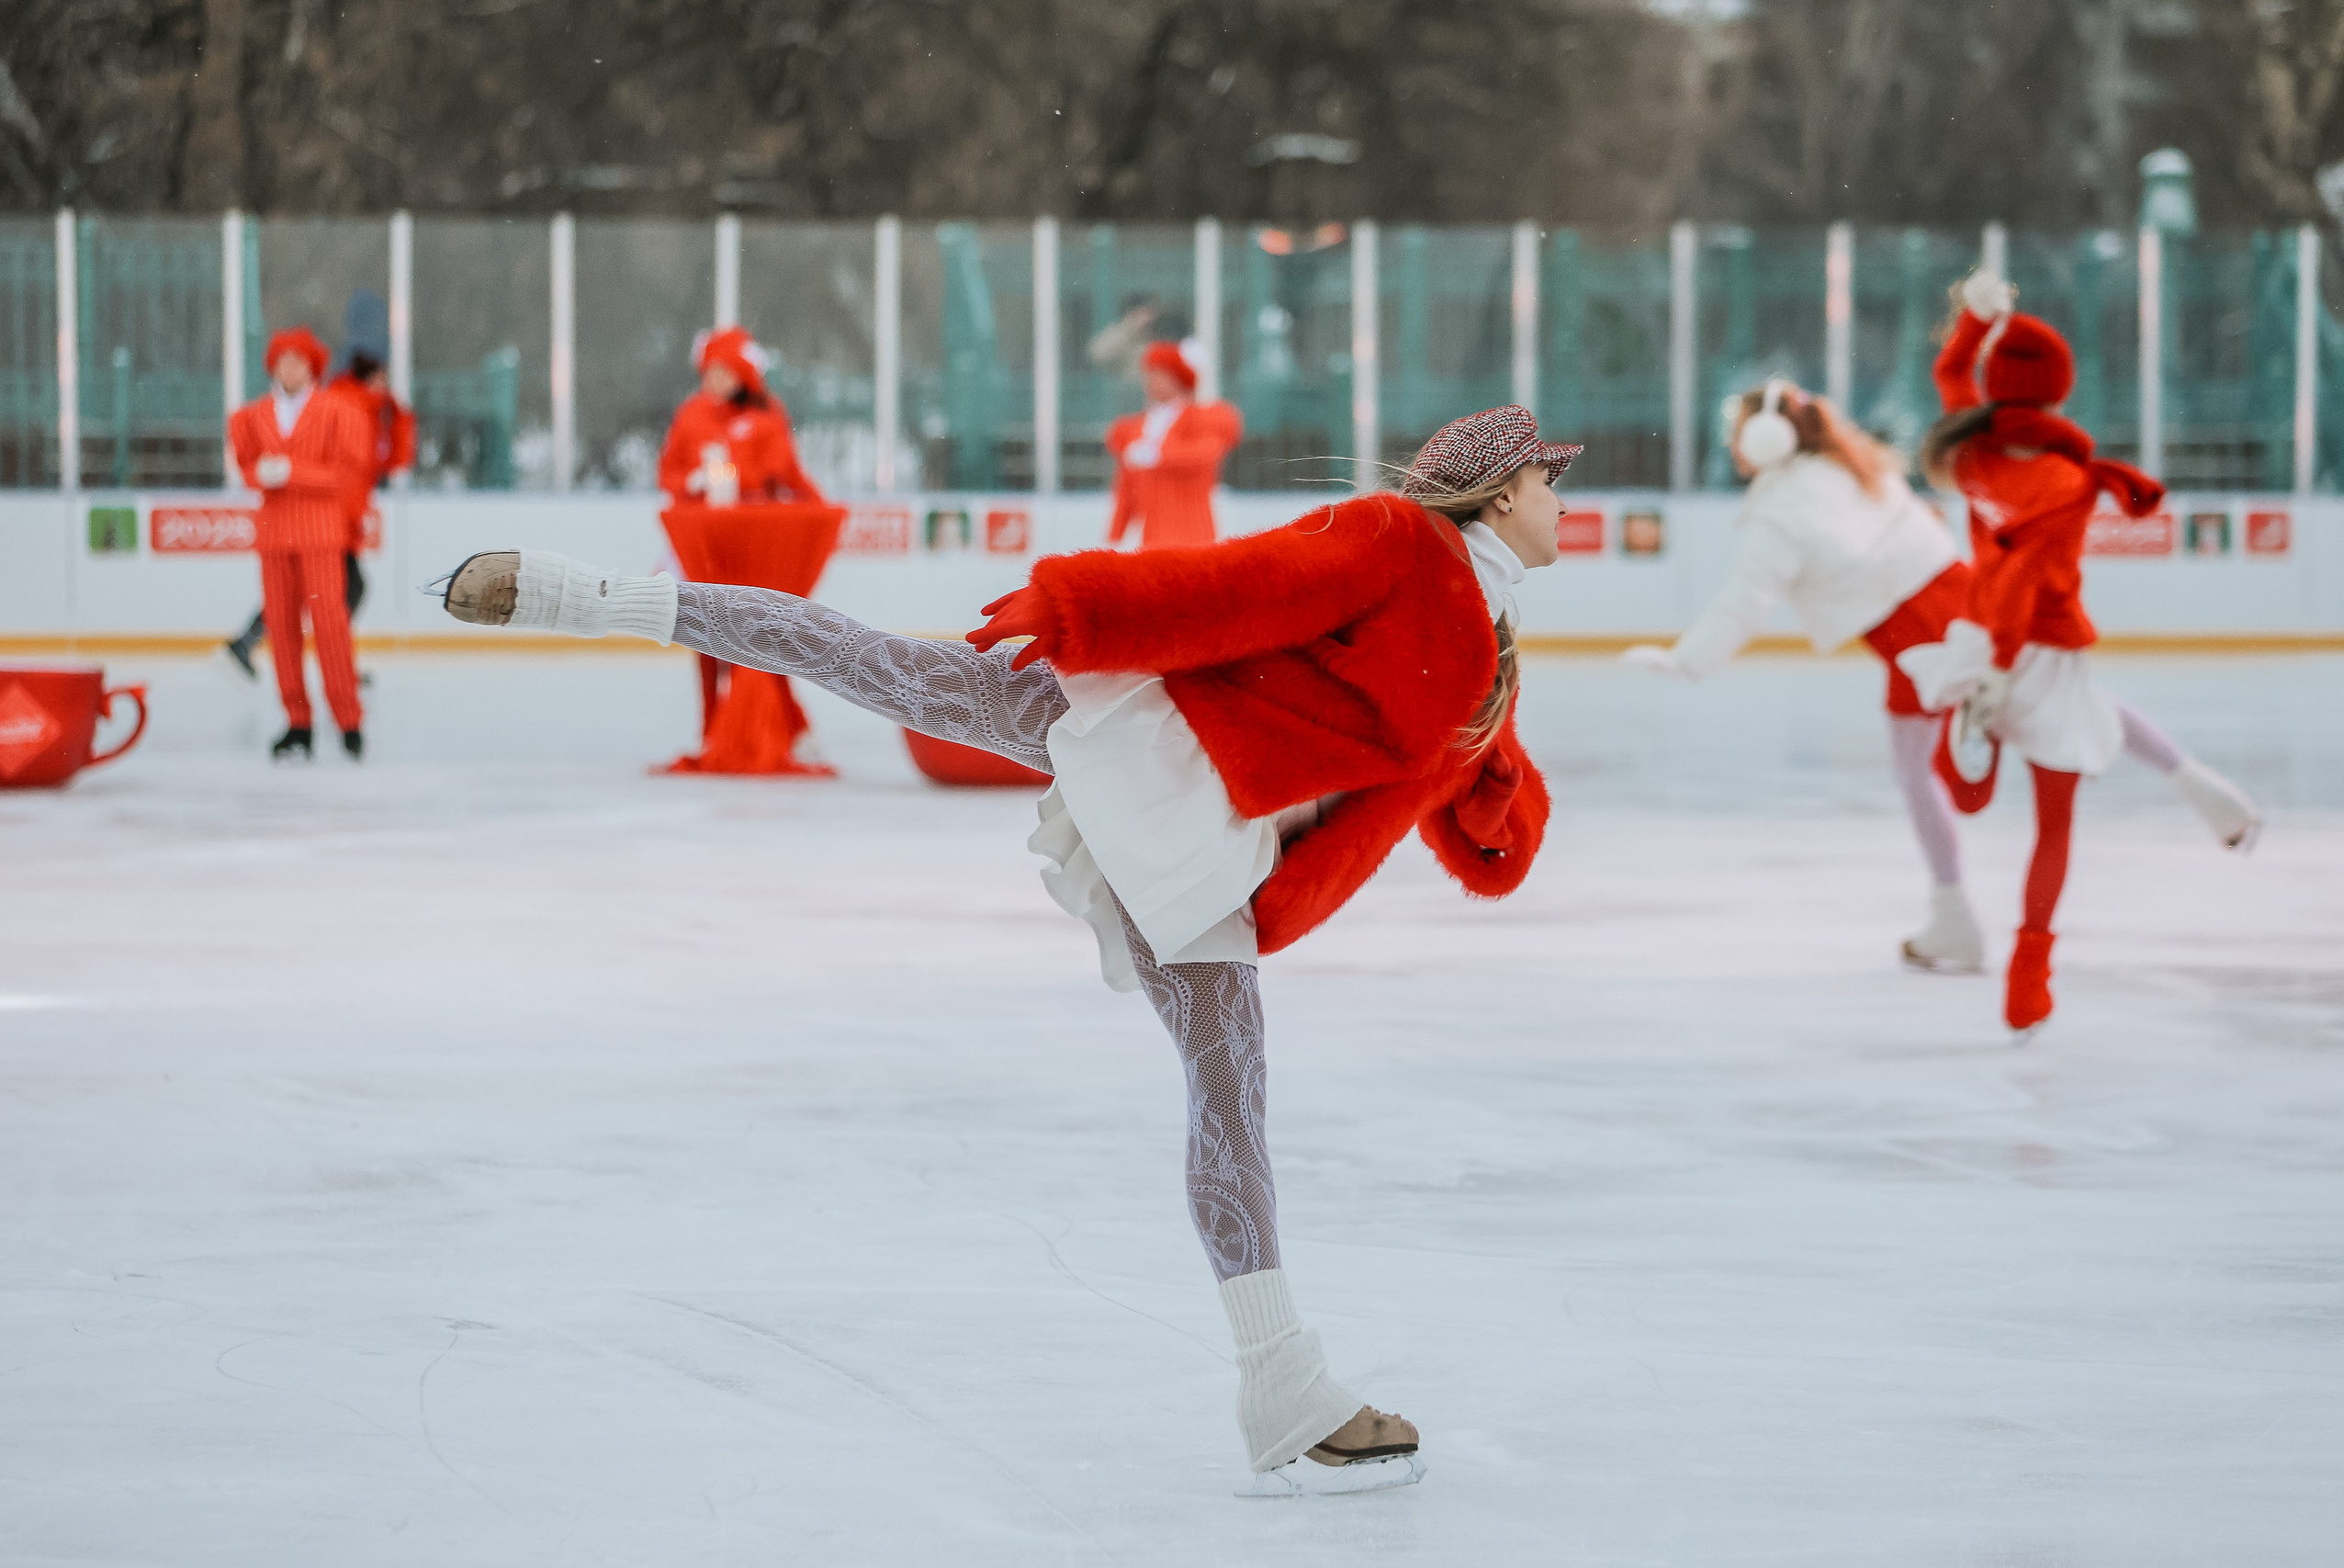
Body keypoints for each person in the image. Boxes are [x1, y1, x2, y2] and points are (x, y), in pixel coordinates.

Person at [427, 404, 1578, 1495]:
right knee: (874, 663)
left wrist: (1496, 800)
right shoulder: (1392, 539)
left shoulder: (1490, 643)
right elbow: (1241, 584)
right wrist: (1081, 608)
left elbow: (1456, 815)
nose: (1562, 500)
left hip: (1211, 845)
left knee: (1229, 1088)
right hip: (1148, 731)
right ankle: (583, 595)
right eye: (1549, 479)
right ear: (1505, 485)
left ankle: (1282, 1387)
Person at [1897, 270, 2260, 1034]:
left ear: (2000, 389)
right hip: (2043, 655)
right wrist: (2004, 664)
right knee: (2054, 823)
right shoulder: (2067, 479)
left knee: (1969, 780)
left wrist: (1973, 320)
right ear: (2059, 392)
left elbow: (1949, 372)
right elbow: (2031, 579)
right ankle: (2030, 971)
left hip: (1982, 643)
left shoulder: (1971, 450)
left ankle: (1974, 746)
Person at [1619, 379, 1989, 971]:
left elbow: (1745, 603)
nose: (1732, 444)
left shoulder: (1784, 510)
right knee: (2048, 723)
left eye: (1737, 432)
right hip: (1959, 609)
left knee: (1943, 771)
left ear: (1767, 439)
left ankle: (1955, 917)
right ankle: (1952, 918)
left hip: (1925, 642)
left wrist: (1687, 660)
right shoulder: (1850, 462)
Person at [223, 293, 411, 679]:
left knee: (327, 592)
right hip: (327, 522)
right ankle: (331, 658)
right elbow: (349, 467)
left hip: (341, 520)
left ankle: (252, 641)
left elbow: (391, 460)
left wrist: (395, 410)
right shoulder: (346, 405)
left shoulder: (374, 410)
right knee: (340, 590)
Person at [658, 327, 828, 738]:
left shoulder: (765, 416)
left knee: (760, 636)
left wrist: (814, 511)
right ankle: (712, 726)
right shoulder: (692, 414)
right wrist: (694, 483)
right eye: (708, 371)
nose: (712, 380)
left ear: (742, 373)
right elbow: (669, 473)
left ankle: (783, 724)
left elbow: (785, 476)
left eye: (722, 371)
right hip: (707, 545)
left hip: (752, 546)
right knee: (704, 633)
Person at [225, 326, 372, 761]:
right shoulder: (252, 416)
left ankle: (349, 719)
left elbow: (349, 472)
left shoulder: (337, 411)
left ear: (313, 367)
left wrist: (292, 473)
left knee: (331, 627)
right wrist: (260, 475)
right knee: (283, 632)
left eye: (299, 361)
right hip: (274, 536)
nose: (289, 369)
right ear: (273, 366)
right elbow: (247, 465)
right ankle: (298, 721)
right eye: (282, 361)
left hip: (322, 535)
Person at [1106, 341, 1243, 548]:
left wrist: (1157, 455)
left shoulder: (1201, 419)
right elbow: (1126, 489)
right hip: (1152, 536)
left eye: (1159, 374)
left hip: (1193, 534)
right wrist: (1115, 538)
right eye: (1149, 374)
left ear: (1178, 379)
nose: (1150, 381)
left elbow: (1206, 454)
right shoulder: (1136, 427)